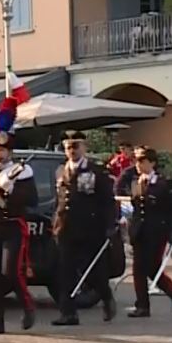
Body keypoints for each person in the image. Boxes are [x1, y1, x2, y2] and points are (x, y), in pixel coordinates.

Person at [0, 98, 39, 334]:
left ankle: (27, 305)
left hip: (14, 226)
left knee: (11, 272)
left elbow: (31, 199)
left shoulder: (22, 172)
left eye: (2, 150)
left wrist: (11, 188)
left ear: (10, 151)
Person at [51, 130, 118, 326]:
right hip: (66, 229)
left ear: (84, 148)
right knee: (65, 271)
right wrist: (55, 222)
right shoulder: (61, 171)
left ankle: (106, 298)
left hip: (91, 228)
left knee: (95, 272)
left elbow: (107, 201)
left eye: (75, 146)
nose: (72, 150)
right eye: (68, 147)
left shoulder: (96, 171)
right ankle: (68, 313)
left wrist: (109, 226)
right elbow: (60, 200)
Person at [125, 146, 172, 317]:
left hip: (157, 231)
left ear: (152, 163)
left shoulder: (163, 184)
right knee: (138, 269)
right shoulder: (136, 183)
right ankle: (142, 305)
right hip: (139, 231)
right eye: (136, 161)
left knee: (152, 267)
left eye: (142, 161)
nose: (138, 164)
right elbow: (136, 208)